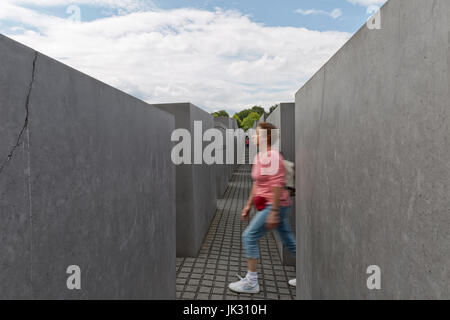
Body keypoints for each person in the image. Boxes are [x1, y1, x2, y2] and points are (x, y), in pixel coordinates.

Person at [228, 122, 296, 294]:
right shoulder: (260, 156)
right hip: (271, 205)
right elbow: (257, 183)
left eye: (257, 134)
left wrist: (273, 211)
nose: (253, 136)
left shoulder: (273, 156)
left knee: (249, 236)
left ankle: (251, 283)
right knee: (288, 240)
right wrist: (248, 205)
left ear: (266, 137)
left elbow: (277, 184)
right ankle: (307, 273)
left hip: (275, 205)